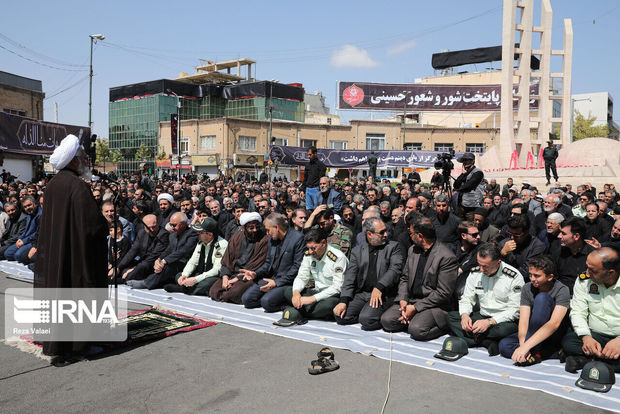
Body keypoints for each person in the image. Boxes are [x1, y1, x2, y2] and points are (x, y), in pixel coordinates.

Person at [34, 134, 109, 362]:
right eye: (83, 157)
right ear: (74, 161)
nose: (86, 160)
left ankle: (58, 341)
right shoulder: (76, 186)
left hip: (57, 251)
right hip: (76, 254)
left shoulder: (53, 184)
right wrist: (103, 222)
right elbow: (92, 226)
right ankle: (79, 345)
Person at [380, 217, 458, 340]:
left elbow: (443, 293)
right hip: (411, 299)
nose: (409, 236)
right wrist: (403, 299)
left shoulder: (446, 257)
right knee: (387, 321)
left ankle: (443, 325)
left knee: (417, 330)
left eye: (411, 233)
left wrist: (416, 308)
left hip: (433, 304)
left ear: (420, 236)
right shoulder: (413, 250)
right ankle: (412, 319)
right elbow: (405, 278)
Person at [446, 243, 524, 356]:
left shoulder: (513, 277)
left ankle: (471, 338)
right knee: (451, 317)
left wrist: (490, 322)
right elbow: (467, 298)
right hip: (482, 315)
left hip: (502, 320)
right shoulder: (475, 273)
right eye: (479, 264)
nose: (481, 269)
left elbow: (515, 310)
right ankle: (486, 341)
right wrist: (464, 315)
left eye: (486, 266)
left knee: (504, 330)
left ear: (498, 263)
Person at [334, 218, 404, 331]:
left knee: (367, 319)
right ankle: (367, 311)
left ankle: (375, 314)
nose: (386, 234)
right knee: (340, 315)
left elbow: (395, 270)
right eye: (381, 232)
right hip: (363, 293)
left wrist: (379, 286)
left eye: (386, 231)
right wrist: (343, 300)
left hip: (383, 293)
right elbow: (350, 277)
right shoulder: (358, 251)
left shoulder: (393, 247)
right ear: (369, 234)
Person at [499, 256, 569, 366]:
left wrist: (526, 347)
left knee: (542, 298)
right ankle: (540, 354)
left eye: (537, 276)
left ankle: (535, 352)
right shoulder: (527, 288)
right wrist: (523, 346)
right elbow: (523, 321)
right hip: (532, 332)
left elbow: (554, 324)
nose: (532, 279)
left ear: (550, 277)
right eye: (530, 275)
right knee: (504, 346)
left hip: (552, 334)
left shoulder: (562, 289)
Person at [561, 248, 620, 373]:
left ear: (610, 272)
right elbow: (578, 311)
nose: (587, 273)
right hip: (596, 336)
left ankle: (587, 361)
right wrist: (586, 337)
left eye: (592, 270)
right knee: (569, 342)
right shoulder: (584, 281)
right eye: (587, 267)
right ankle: (609, 361)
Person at [275, 228, 347, 326]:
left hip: (331, 295)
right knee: (288, 291)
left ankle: (299, 311)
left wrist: (312, 299)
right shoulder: (309, 255)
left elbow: (337, 287)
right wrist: (296, 293)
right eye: (308, 248)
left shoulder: (338, 258)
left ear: (323, 243)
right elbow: (301, 277)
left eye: (313, 248)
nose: (310, 251)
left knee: (330, 305)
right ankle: (308, 310)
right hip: (315, 291)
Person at [241, 213, 305, 312]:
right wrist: (255, 273)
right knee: (247, 299)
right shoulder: (272, 239)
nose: (267, 233)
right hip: (271, 278)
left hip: (286, 282)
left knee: (267, 302)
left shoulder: (297, 238)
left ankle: (284, 303)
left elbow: (297, 267)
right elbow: (268, 263)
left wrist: (276, 283)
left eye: (268, 230)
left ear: (276, 227)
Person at [127, 212, 198, 290]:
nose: (172, 227)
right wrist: (159, 260)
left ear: (183, 224)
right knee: (158, 263)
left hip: (185, 264)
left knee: (169, 266)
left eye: (174, 225)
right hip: (172, 262)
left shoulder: (192, 234)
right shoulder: (173, 235)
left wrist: (164, 261)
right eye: (171, 225)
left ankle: (147, 283)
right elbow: (168, 250)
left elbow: (183, 251)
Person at [209, 212, 269, 303]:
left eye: (257, 226)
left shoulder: (264, 240)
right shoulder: (236, 237)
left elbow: (257, 264)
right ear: (244, 228)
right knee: (213, 291)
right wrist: (225, 278)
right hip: (232, 273)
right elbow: (227, 259)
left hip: (248, 276)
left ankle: (226, 296)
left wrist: (236, 280)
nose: (255, 230)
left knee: (235, 292)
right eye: (251, 228)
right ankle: (225, 296)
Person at [163, 218, 227, 295]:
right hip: (201, 272)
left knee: (205, 284)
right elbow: (193, 261)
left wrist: (196, 279)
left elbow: (217, 270)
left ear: (210, 234)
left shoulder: (221, 245)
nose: (197, 233)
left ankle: (183, 289)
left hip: (212, 276)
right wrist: (185, 275)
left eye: (200, 232)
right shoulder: (201, 242)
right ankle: (187, 286)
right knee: (178, 275)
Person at [115, 214, 169, 282]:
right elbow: (133, 251)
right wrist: (118, 267)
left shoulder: (163, 234)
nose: (152, 230)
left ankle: (122, 279)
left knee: (141, 267)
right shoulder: (141, 233)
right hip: (141, 261)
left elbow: (153, 256)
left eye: (154, 227)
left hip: (151, 263)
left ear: (158, 224)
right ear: (144, 226)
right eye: (149, 228)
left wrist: (134, 269)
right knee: (124, 264)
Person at [552, 217, 594, 294]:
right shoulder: (558, 252)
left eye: (563, 233)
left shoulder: (593, 256)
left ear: (576, 236)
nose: (559, 236)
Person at [498, 214, 546, 281]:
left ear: (527, 232)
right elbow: (495, 267)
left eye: (516, 235)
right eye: (509, 233)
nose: (512, 237)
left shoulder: (537, 246)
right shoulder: (503, 244)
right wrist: (502, 254)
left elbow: (526, 272)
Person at [3, 196, 41, 261]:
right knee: (8, 254)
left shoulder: (40, 215)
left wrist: (24, 241)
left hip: (33, 241)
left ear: (35, 204)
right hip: (24, 239)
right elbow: (26, 230)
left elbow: (37, 233)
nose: (27, 208)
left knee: (18, 256)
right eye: (25, 207)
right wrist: (20, 238)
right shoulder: (29, 214)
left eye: (29, 205)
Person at [302, 146, 327, 211]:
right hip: (308, 190)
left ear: (315, 154)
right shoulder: (307, 165)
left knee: (317, 209)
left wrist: (320, 189)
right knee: (309, 209)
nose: (308, 156)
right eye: (308, 155)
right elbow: (305, 178)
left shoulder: (321, 165)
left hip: (316, 189)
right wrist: (303, 190)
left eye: (310, 154)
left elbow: (322, 178)